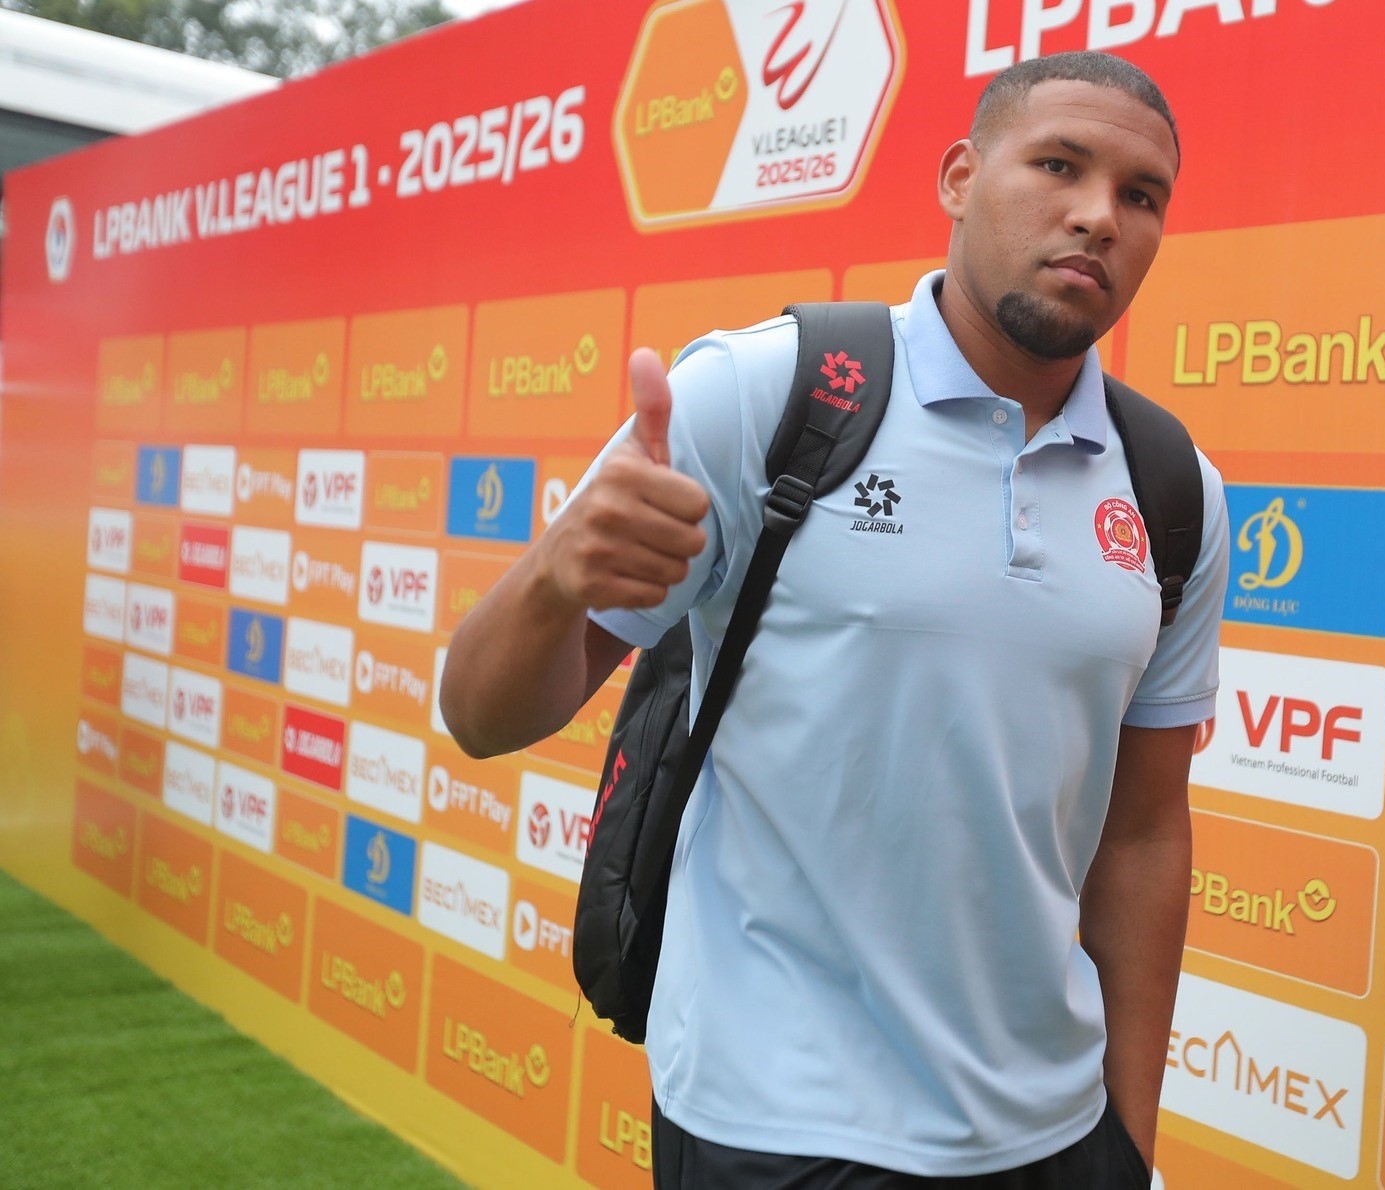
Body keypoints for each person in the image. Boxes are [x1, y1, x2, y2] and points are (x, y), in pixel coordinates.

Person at [440, 50, 1227, 1189]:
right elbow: (477, 713)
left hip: (1054, 1136)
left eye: (1140, 194)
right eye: (1058, 164)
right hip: (774, 1124)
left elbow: (1146, 832)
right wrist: (555, 577)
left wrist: (1128, 1137)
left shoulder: (1174, 486)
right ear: (960, 176)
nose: (1098, 215)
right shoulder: (765, 394)